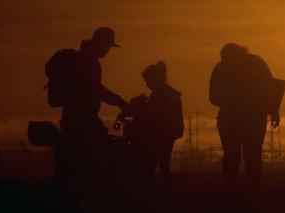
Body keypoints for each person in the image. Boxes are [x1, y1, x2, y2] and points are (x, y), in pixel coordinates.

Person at [46, 27, 129, 194]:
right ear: (101, 43)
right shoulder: (89, 61)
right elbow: (95, 90)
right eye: (107, 46)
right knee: (105, 154)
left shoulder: (83, 58)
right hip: (83, 119)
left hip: (74, 118)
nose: (107, 51)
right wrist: (118, 101)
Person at [209, 43, 283, 193]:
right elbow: (270, 88)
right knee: (250, 153)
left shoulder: (221, 67)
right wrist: (274, 111)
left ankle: (236, 187)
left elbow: (213, 97)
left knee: (237, 154)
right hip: (250, 116)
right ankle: (249, 187)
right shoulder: (255, 63)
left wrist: (230, 101)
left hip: (237, 117)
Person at [140, 61, 184, 189]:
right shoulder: (169, 94)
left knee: (150, 164)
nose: (147, 84)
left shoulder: (159, 96)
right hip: (169, 132)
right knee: (164, 164)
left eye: (148, 80)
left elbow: (155, 116)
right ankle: (166, 190)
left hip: (162, 133)